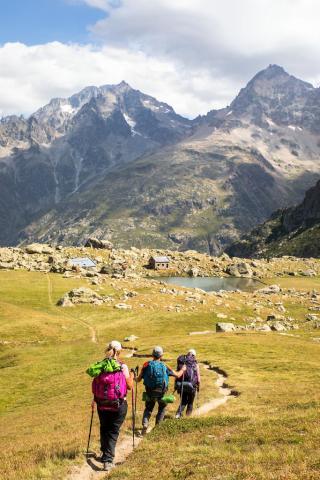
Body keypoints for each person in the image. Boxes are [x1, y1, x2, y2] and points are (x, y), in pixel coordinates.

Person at [91, 340, 134, 471]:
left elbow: (96, 385)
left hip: (101, 403)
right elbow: (130, 386)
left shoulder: (101, 365)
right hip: (118, 405)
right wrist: (132, 375)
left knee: (104, 428)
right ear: (119, 351)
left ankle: (104, 453)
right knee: (113, 431)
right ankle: (108, 460)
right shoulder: (122, 366)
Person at [137, 346, 185, 435]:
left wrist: (133, 376)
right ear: (161, 355)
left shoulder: (146, 365)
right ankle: (157, 427)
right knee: (162, 408)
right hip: (161, 392)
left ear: (152, 354)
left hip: (149, 392)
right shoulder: (164, 365)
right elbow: (178, 375)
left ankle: (145, 423)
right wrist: (183, 369)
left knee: (148, 408)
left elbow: (139, 379)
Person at [175, 349, 200, 418]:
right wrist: (198, 386)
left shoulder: (182, 361)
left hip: (181, 384)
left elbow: (178, 373)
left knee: (183, 401)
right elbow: (198, 379)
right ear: (194, 356)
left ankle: (178, 414)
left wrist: (176, 384)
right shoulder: (195, 363)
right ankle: (187, 417)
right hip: (192, 385)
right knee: (190, 402)